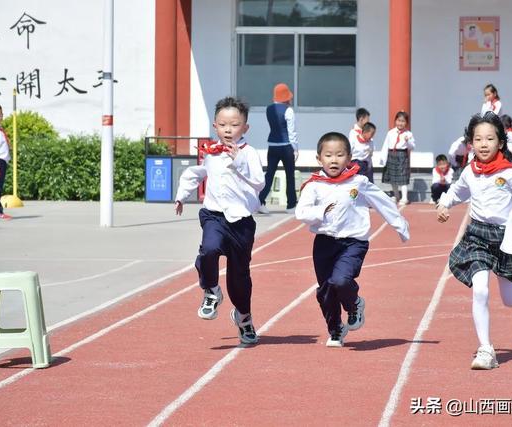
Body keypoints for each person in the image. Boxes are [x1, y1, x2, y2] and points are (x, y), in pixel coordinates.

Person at [436, 112, 512, 370]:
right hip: (478, 236)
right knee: (480, 290)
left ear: (500, 143)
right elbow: (458, 190)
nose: (483, 144)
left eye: (489, 138)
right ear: (471, 143)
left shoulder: (510, 174)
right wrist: (444, 203)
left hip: (506, 239)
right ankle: (486, 350)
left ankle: (510, 278)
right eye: (477, 139)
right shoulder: (471, 171)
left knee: (509, 300)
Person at [295, 132, 409, 347]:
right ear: (319, 159)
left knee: (340, 280)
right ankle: (336, 329)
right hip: (325, 242)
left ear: (349, 158)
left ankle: (354, 303)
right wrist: (321, 211)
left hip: (353, 242)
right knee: (326, 289)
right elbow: (301, 213)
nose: (334, 160)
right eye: (328, 155)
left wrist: (399, 225)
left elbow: (382, 202)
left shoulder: (358, 181)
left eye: (340, 155)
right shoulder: (314, 185)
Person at [174, 97, 265, 345]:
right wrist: (182, 195)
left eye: (234, 125)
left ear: (245, 128)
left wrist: (239, 163)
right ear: (215, 126)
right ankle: (211, 290)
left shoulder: (250, 154)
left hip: (241, 222)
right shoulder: (212, 153)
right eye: (223, 125)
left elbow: (259, 182)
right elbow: (197, 173)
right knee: (209, 250)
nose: (228, 130)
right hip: (214, 214)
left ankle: (244, 319)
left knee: (239, 277)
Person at [258, 83, 298, 214]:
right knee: (289, 175)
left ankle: (260, 201)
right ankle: (291, 205)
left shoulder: (269, 109)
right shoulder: (289, 110)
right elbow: (292, 132)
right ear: (286, 96)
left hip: (272, 146)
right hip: (286, 147)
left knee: (269, 174)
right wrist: (295, 149)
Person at [379, 111, 415, 205]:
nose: (400, 123)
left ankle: (404, 197)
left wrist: (408, 141)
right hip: (391, 154)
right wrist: (383, 157)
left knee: (403, 177)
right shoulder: (390, 132)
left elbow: (412, 147)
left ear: (406, 123)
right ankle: (396, 195)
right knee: (393, 178)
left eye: (403, 121)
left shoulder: (409, 134)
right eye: (399, 120)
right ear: (395, 121)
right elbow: (385, 145)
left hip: (402, 155)